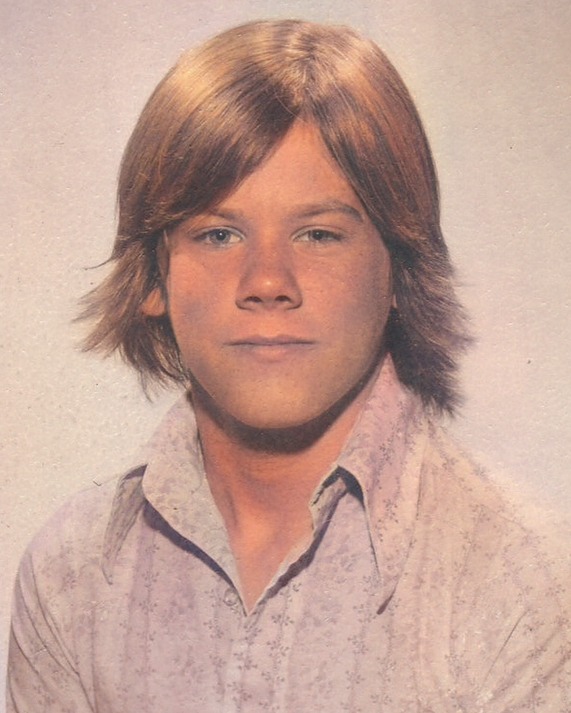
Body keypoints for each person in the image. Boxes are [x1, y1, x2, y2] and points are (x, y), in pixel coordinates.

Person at [6, 19, 570, 713]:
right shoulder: (72, 576)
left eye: (318, 234)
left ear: (399, 269)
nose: (268, 281)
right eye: (219, 234)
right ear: (153, 277)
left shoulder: (522, 580)